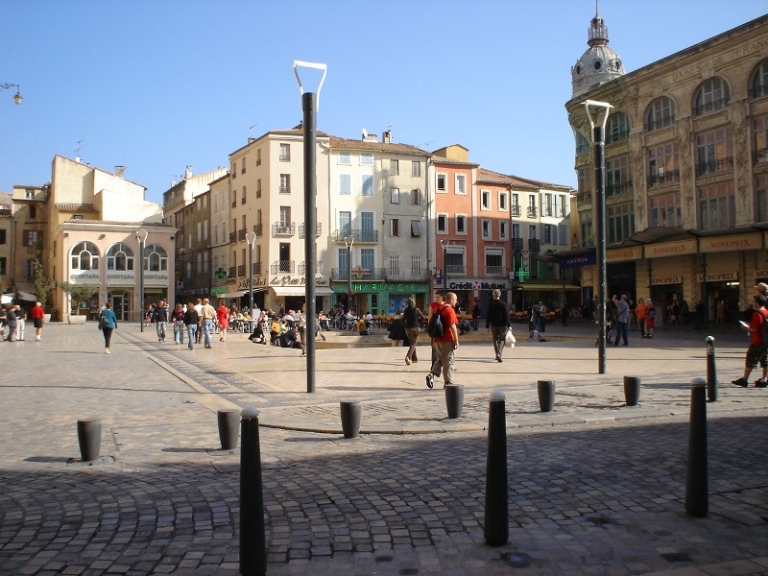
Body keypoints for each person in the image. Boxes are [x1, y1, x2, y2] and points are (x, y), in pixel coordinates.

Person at [732, 294, 768, 388]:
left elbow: (754, 329)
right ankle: (764, 379)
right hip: (766, 340)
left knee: (751, 359)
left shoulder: (757, 314)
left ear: (757, 302)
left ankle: (744, 379)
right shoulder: (767, 312)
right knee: (765, 360)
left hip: (758, 340)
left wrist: (745, 328)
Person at [426, 291, 459, 389]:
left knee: (441, 359)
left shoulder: (439, 309)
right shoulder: (449, 310)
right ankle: (448, 382)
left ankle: (431, 374)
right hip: (447, 339)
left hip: (438, 339)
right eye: (455, 300)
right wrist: (456, 340)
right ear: (450, 300)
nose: (456, 302)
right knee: (448, 360)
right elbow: (452, 326)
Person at [486, 289, 511, 362]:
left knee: (495, 340)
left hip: (494, 325)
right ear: (499, 295)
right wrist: (509, 325)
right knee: (502, 340)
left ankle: (497, 354)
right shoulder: (503, 304)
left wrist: (487, 326)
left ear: (493, 295)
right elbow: (506, 315)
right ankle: (499, 354)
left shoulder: (490, 304)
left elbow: (488, 315)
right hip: (502, 325)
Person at [402, 297, 424, 365]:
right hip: (416, 327)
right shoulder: (416, 310)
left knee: (412, 343)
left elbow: (402, 319)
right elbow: (423, 317)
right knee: (413, 344)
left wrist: (406, 324)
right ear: (414, 302)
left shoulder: (406, 310)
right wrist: (418, 322)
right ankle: (408, 357)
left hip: (408, 328)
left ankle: (415, 359)